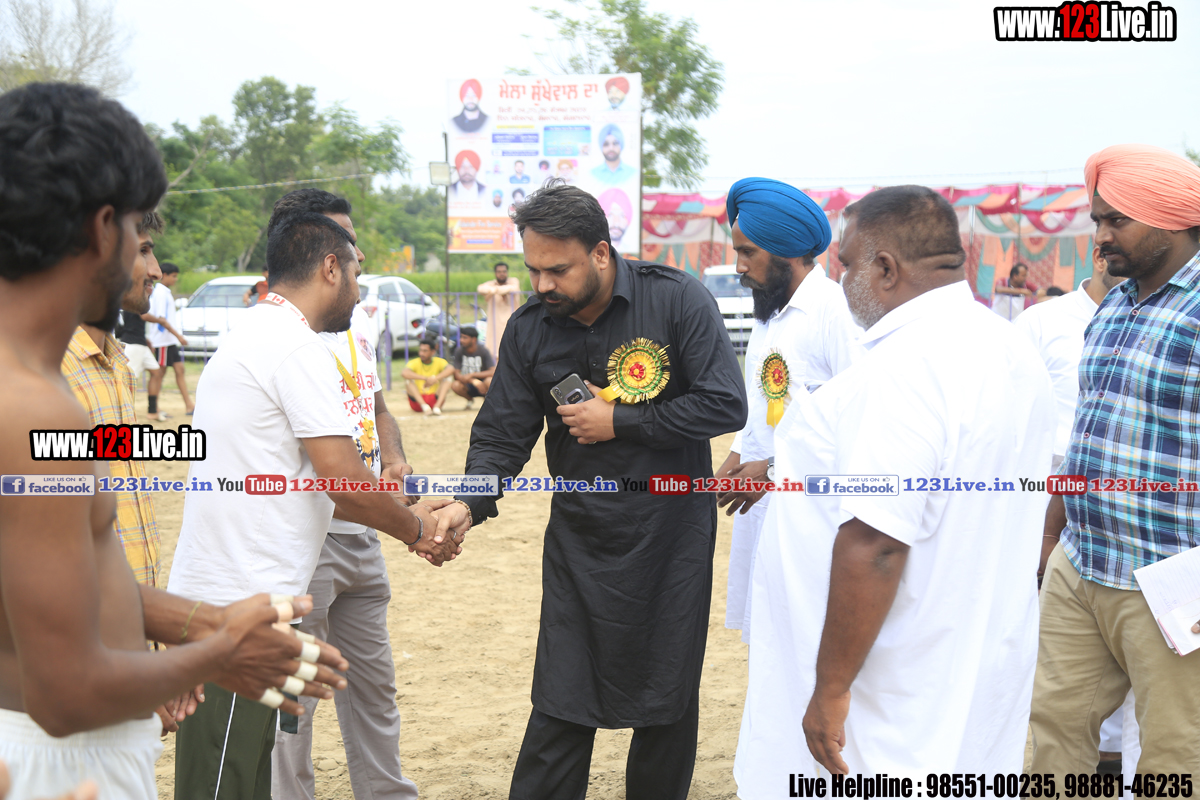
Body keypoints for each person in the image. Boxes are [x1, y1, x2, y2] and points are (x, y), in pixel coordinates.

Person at [0, 81, 347, 800]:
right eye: (141, 235)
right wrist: (218, 655)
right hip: (52, 759)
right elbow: (65, 690)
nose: (152, 268)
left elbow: (65, 582)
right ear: (104, 230)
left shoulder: (35, 390)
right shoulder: (31, 410)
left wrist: (206, 624)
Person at [431, 181, 747, 799]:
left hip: (672, 535)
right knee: (562, 691)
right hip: (582, 538)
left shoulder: (676, 299)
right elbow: (501, 433)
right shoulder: (530, 328)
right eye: (533, 270)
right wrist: (469, 501)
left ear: (601, 253)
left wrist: (622, 420)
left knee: (667, 696)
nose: (542, 285)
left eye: (557, 270)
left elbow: (723, 402)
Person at [734, 185, 1054, 786]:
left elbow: (876, 543)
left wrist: (831, 688)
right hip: (971, 652)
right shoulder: (1010, 348)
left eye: (847, 264)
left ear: (884, 268)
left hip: (890, 682)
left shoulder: (903, 369)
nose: (840, 280)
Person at [168, 212, 457, 799]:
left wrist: (397, 509)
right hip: (239, 605)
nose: (359, 289)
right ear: (330, 268)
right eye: (356, 274)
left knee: (247, 777)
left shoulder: (260, 332)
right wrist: (416, 528)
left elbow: (312, 485)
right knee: (222, 783)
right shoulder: (292, 345)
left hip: (250, 598)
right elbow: (343, 480)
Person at [1029, 144, 1200, 778]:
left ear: (1172, 219)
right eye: (1097, 220)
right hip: (1084, 562)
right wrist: (1054, 537)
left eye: (1116, 221)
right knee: (1051, 734)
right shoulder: (1115, 306)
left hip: (1175, 577)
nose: (1100, 237)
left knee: (1172, 757)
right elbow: (1088, 431)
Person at [264, 189, 422, 800]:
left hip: (363, 531)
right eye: (347, 243)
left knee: (374, 687)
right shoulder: (285, 337)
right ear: (317, 253)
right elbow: (330, 471)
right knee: (295, 699)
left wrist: (395, 459)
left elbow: (376, 408)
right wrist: (414, 529)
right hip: (308, 539)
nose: (358, 256)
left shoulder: (356, 322)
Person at [712, 178, 863, 644]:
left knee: (808, 639)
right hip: (763, 504)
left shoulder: (835, 311)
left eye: (748, 253)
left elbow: (859, 416)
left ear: (788, 251)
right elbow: (764, 405)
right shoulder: (770, 314)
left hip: (815, 510)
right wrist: (736, 457)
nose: (739, 266)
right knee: (771, 637)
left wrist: (774, 469)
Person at [144, 261, 194, 416]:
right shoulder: (160, 293)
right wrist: (178, 336)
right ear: (164, 275)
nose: (175, 279)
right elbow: (161, 319)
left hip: (169, 340)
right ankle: (154, 407)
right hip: (163, 340)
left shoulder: (165, 292)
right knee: (158, 374)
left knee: (179, 369)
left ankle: (189, 405)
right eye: (173, 276)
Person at [478, 261, 522, 353]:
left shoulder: (513, 281)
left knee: (512, 349)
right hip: (495, 323)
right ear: (495, 273)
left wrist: (494, 291)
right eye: (499, 272)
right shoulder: (491, 283)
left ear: (507, 272)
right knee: (494, 349)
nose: (502, 274)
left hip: (512, 320)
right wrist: (499, 290)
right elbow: (480, 289)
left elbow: (513, 288)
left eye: (504, 271)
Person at [402, 339, 453, 416]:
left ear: (433, 352)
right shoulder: (414, 362)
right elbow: (404, 373)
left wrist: (435, 378)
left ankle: (437, 407)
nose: (421, 353)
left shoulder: (439, 361)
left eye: (425, 351)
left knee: (448, 378)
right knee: (408, 380)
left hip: (434, 399)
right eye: (420, 350)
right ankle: (425, 407)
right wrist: (426, 378)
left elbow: (451, 369)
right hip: (417, 402)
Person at [449, 325, 495, 408]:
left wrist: (473, 374)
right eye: (461, 337)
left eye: (465, 338)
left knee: (490, 381)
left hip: (483, 382)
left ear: (474, 339)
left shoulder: (483, 351)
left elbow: (492, 371)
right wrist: (472, 380)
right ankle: (469, 400)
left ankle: (487, 400)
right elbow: (456, 373)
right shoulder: (459, 351)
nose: (461, 340)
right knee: (455, 385)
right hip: (467, 383)